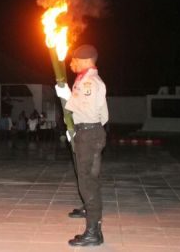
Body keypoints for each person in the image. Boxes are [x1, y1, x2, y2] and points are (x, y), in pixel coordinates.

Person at [56, 44, 108, 247]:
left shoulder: (89, 82)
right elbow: (103, 115)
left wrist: (67, 96)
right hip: (87, 132)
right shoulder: (88, 80)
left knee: (88, 183)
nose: (71, 63)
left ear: (86, 60)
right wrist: (80, 129)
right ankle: (92, 221)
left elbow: (87, 106)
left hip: (88, 134)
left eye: (75, 60)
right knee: (88, 181)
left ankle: (94, 232)